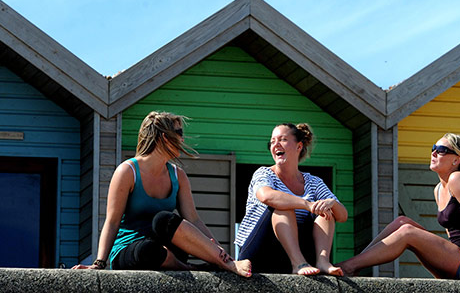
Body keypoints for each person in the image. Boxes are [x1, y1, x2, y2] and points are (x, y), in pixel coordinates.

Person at [73, 111, 251, 276]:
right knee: (149, 250)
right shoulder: (127, 172)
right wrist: (99, 263)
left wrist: (225, 257)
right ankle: (189, 269)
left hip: (168, 249)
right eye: (179, 133)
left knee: (163, 219)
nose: (182, 139)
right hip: (133, 250)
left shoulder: (178, 175)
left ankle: (222, 264)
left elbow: (194, 220)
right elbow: (112, 222)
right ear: (164, 138)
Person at [336, 133, 460, 282]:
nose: (434, 153)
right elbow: (453, 236)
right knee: (401, 222)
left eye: (441, 150)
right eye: (433, 148)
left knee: (408, 231)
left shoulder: (458, 179)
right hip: (456, 260)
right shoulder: (438, 189)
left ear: (456, 160)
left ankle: (349, 266)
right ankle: (356, 264)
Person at [235, 123, 347, 276]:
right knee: (282, 206)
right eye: (272, 141)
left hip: (295, 252)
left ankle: (322, 261)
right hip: (260, 252)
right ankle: (298, 263)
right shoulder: (264, 173)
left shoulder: (313, 182)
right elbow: (266, 195)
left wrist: (332, 203)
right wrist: (307, 204)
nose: (276, 145)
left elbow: (343, 216)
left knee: (325, 211)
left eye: (282, 139)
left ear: (299, 146)